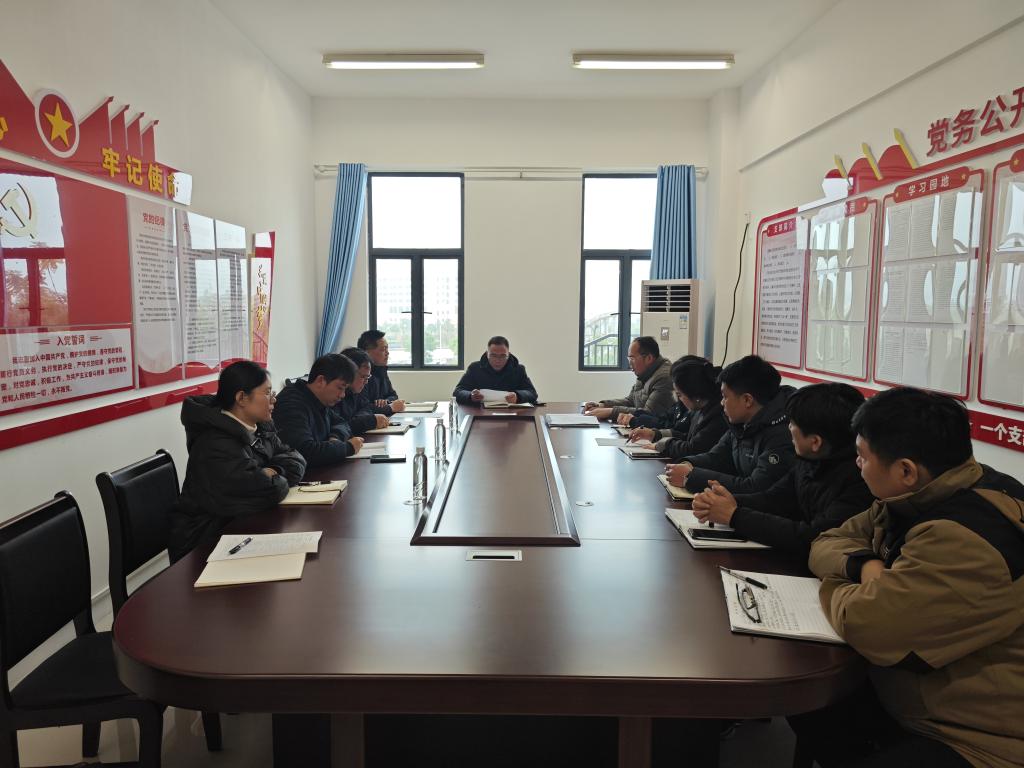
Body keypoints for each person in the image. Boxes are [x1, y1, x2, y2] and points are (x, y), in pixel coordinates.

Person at [791, 387, 1024, 768]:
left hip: (976, 737)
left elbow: (867, 623)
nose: (856, 465)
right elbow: (826, 541)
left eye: (862, 457)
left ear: (905, 470)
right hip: (907, 694)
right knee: (805, 704)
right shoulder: (914, 495)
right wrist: (862, 567)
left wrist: (841, 583)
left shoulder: (968, 539)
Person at [690, 382, 872, 558]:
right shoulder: (810, 459)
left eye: (792, 424)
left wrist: (734, 515)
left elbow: (813, 537)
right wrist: (726, 502)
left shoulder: (860, 480)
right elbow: (774, 499)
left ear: (815, 442)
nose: (788, 428)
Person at [169, 360, 306, 560]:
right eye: (267, 393)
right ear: (241, 398)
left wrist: (275, 471)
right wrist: (270, 477)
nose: (274, 399)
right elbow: (269, 491)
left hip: (239, 530)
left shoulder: (260, 427)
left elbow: (296, 459)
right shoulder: (214, 443)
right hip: (203, 546)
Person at [665, 354, 794, 494]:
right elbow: (716, 457)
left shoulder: (783, 434)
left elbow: (755, 487)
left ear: (747, 400)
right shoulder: (740, 424)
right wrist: (688, 463)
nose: (721, 403)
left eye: (725, 397)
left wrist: (690, 477)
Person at [272, 353, 364, 466]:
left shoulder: (318, 399)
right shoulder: (291, 404)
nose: (343, 395)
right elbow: (304, 452)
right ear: (321, 380)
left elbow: (342, 423)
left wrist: (335, 438)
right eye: (340, 388)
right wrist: (348, 448)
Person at [627, 358, 728, 461]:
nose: (679, 400)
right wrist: (654, 434)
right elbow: (686, 437)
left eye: (679, 395)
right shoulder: (699, 410)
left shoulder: (717, 415)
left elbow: (692, 448)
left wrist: (663, 445)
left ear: (694, 394)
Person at [584, 336, 674, 421]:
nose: (630, 364)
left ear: (649, 358)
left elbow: (649, 413)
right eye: (629, 359)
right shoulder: (645, 373)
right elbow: (630, 401)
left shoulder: (664, 378)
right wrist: (602, 405)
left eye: (632, 359)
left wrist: (610, 412)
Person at [619, 354, 707, 429]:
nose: (630, 363)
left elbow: (673, 428)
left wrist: (636, 421)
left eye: (632, 358)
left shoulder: (700, 412)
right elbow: (664, 417)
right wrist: (636, 415)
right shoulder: (682, 403)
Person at [453, 335, 538, 405]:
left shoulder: (518, 369)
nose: (498, 360)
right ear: (487, 354)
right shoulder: (474, 368)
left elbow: (532, 393)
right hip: (481, 414)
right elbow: (458, 391)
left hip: (511, 415)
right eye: (493, 355)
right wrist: (470, 396)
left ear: (508, 355)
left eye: (503, 356)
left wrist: (518, 396)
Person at [333, 347, 390, 437]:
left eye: (368, 377)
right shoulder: (335, 395)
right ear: (348, 373)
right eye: (363, 377)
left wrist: (362, 419)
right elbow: (342, 426)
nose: (366, 382)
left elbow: (367, 408)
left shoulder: (356, 391)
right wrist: (371, 420)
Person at [357, 329, 405, 415]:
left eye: (387, 348)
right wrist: (389, 407)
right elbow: (362, 408)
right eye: (383, 349)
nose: (387, 353)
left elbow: (393, 395)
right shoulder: (361, 375)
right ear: (367, 353)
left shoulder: (381, 370)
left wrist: (386, 401)